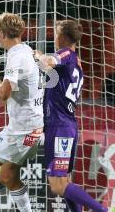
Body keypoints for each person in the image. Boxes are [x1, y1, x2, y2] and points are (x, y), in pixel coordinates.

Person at [35, 20, 112, 212]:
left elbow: (47, 63)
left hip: (59, 126)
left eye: (56, 32)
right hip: (66, 125)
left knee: (58, 185)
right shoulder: (77, 62)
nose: (54, 36)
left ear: (63, 37)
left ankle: (102, 210)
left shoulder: (66, 53)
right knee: (65, 183)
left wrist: (37, 55)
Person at [0, 13, 44, 212]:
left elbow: (4, 92)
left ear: (4, 34)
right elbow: (19, 91)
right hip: (35, 131)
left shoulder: (16, 56)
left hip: (20, 132)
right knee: (7, 176)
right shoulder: (28, 51)